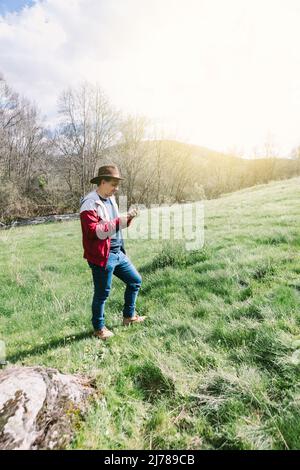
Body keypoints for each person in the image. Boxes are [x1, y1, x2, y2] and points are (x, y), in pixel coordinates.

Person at [79, 164, 146, 340]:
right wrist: (119, 221)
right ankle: (99, 328)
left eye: (117, 185)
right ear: (102, 182)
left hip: (117, 253)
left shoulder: (111, 199)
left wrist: (128, 218)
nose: (116, 189)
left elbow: (115, 223)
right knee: (102, 293)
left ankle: (129, 317)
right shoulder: (89, 203)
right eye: (113, 185)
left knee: (135, 280)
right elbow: (93, 231)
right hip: (102, 256)